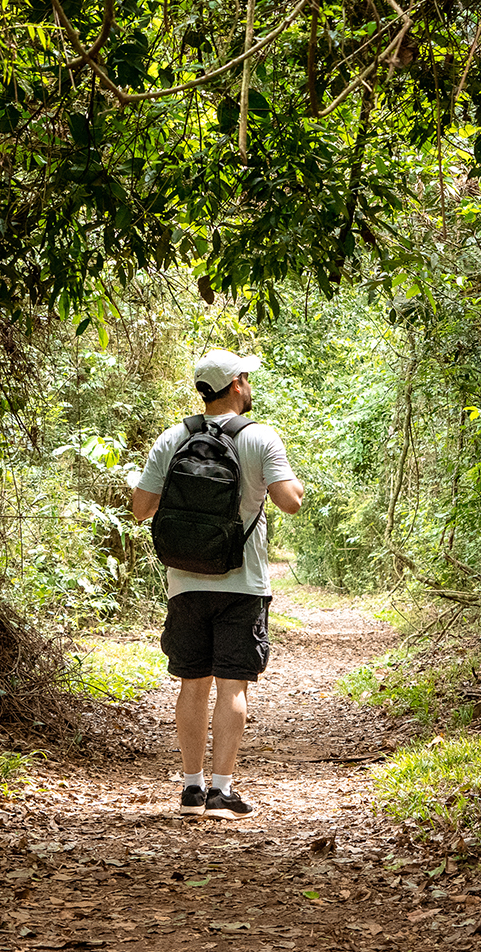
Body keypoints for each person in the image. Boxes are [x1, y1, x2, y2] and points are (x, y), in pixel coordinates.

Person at [131, 349, 303, 819]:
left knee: (192, 683)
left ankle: (190, 789)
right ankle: (222, 793)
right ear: (237, 384)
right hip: (242, 583)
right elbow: (290, 502)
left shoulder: (172, 438)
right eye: (246, 379)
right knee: (233, 685)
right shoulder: (260, 437)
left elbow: (141, 508)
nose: (249, 386)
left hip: (184, 581)